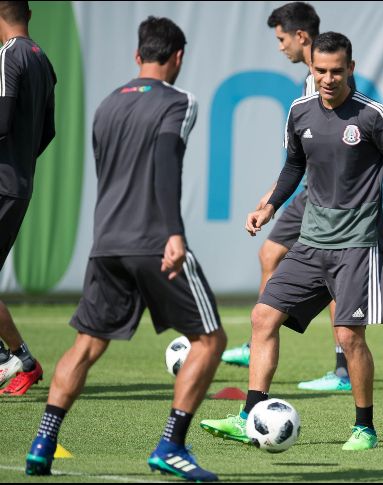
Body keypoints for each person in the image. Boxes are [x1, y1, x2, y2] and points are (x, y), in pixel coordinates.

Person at [25, 16, 226, 482]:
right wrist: (174, 232)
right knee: (211, 339)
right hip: (155, 241)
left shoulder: (107, 105)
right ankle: (172, 446)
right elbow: (164, 165)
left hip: (107, 242)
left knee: (87, 344)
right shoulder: (180, 102)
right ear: (178, 58)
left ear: (138, 56)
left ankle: (44, 441)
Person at [201, 31, 383, 451]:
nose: (328, 78)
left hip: (357, 246)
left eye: (337, 71)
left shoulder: (373, 115)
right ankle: (249, 415)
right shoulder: (300, 111)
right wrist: (270, 206)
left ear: (351, 69)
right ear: (312, 68)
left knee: (349, 337)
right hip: (311, 243)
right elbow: (293, 165)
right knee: (263, 317)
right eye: (320, 70)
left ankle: (364, 428)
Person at [220, 1, 355, 393]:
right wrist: (275, 194)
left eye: (281, 39)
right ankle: (261, 335)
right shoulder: (311, 79)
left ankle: (342, 366)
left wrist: (285, 192)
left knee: (332, 275)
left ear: (300, 37)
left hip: (325, 194)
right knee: (269, 255)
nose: (280, 47)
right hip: (311, 186)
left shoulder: (324, 77)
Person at [0, 0, 55, 396]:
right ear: (29, 14)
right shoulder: (42, 58)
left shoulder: (9, 54)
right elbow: (47, 131)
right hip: (18, 183)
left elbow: (1, 122)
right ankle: (19, 357)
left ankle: (12, 357)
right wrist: (20, 163)